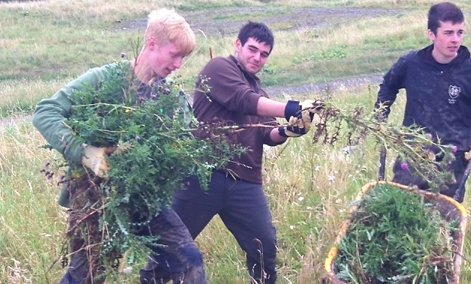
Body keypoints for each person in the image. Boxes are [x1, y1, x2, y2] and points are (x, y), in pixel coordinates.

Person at [32, 8, 207, 284]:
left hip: (145, 197)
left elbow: (187, 140)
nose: (178, 65)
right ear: (151, 44)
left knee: (189, 262)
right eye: (175, 55)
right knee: (87, 276)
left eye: (183, 58)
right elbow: (46, 112)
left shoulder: (171, 97)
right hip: (94, 196)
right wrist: (87, 153)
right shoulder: (105, 80)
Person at [142, 21, 318, 284]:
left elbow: (267, 135)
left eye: (264, 54)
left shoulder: (259, 90)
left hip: (245, 184)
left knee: (264, 247)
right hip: (202, 176)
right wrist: (291, 108)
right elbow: (241, 99)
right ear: (238, 45)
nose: (257, 58)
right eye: (252, 49)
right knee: (170, 251)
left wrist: (290, 131)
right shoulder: (219, 69)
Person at [374, 2, 471, 203]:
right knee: (400, 207)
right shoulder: (411, 64)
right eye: (448, 33)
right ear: (431, 34)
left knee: (444, 218)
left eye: (460, 32)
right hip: (413, 153)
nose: (455, 39)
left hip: (452, 159)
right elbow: (388, 87)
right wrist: (380, 120)